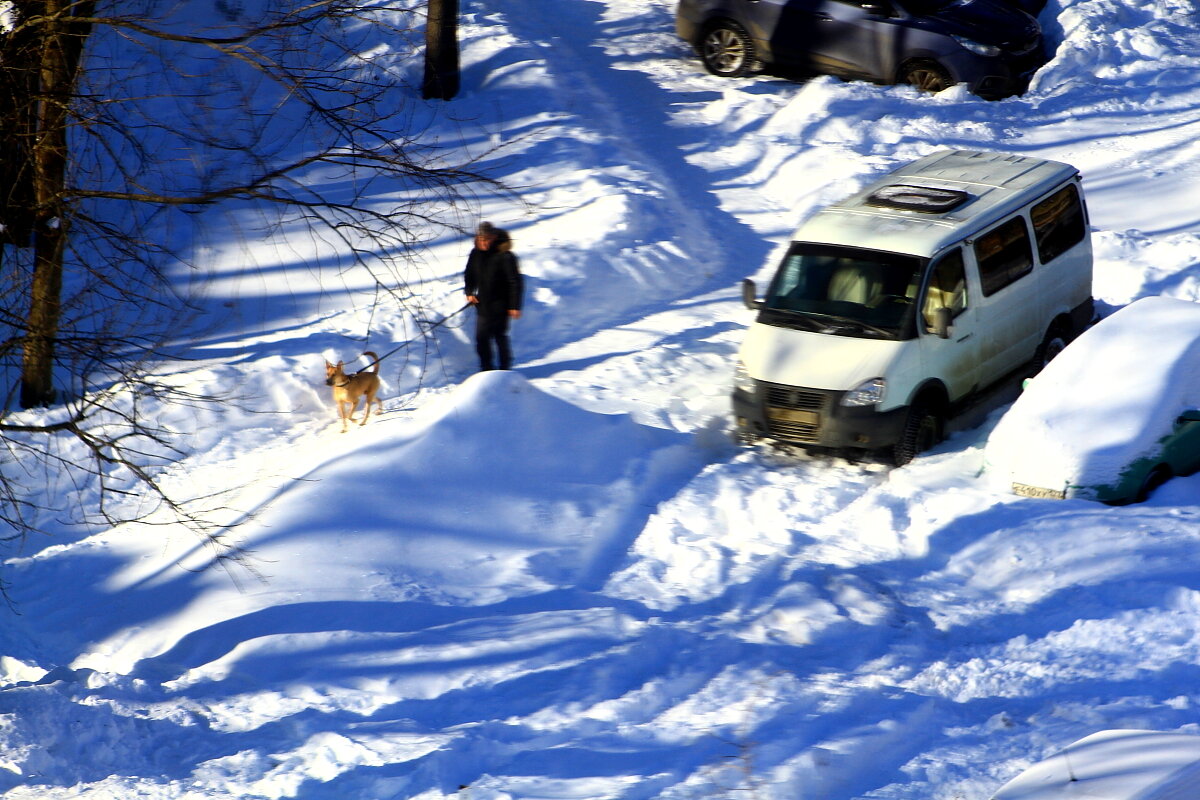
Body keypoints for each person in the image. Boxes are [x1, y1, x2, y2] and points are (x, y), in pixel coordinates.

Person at [463, 222, 523, 371]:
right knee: (481, 339)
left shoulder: (505, 256)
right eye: (481, 239)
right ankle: (486, 368)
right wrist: (470, 292)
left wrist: (514, 306)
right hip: (483, 304)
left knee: (499, 336)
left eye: (487, 239)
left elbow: (515, 282)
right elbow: (469, 274)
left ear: (494, 237)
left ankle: (504, 368)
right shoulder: (475, 253)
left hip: (501, 305)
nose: (484, 243)